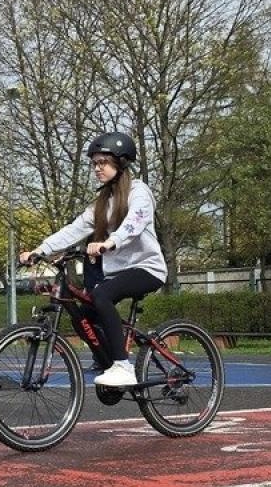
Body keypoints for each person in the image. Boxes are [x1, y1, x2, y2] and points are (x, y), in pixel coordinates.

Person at [18, 132, 167, 387]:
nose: (97, 168)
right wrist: (40, 250)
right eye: (94, 163)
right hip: (117, 273)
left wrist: (109, 243)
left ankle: (122, 365)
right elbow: (74, 229)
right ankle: (109, 361)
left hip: (146, 268)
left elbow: (134, 224)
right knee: (82, 315)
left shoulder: (138, 192)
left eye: (103, 163)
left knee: (101, 296)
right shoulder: (102, 202)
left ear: (120, 164)